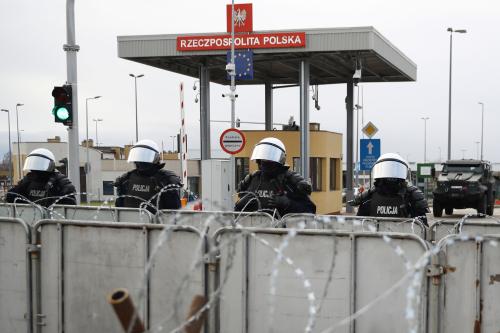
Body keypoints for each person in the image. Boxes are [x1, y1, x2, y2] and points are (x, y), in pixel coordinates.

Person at [234, 137, 316, 217]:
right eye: (262, 159)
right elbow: (236, 212)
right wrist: (242, 203)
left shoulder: (290, 180)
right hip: (253, 228)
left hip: (283, 229)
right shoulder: (253, 179)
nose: (264, 163)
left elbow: (310, 210)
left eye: (269, 160)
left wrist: (288, 203)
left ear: (280, 160)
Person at [349, 153, 429, 224]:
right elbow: (423, 229)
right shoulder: (368, 197)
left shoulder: (411, 196)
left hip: (377, 239)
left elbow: (422, 227)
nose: (391, 177)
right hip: (403, 239)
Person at [114, 139, 181, 212]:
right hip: (129, 221)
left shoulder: (165, 179)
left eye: (145, 156)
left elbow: (174, 211)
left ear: (155, 158)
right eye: (139, 157)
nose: (140, 161)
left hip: (158, 222)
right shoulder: (127, 179)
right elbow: (119, 207)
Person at [5, 148, 76, 207]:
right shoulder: (29, 179)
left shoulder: (59, 181)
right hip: (30, 218)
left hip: (54, 221)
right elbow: (12, 196)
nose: (36, 169)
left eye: (39, 163)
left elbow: (70, 204)